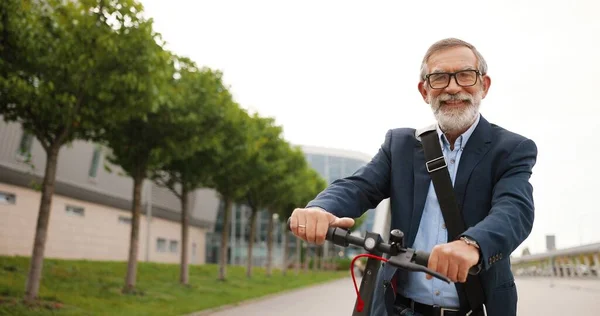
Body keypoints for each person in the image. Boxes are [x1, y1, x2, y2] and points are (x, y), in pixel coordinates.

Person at [289, 38, 537, 316]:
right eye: (439, 77)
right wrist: (321, 209)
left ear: (484, 85)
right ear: (425, 90)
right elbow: (358, 186)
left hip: (479, 308)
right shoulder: (400, 145)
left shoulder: (512, 149)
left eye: (466, 75)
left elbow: (514, 209)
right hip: (399, 308)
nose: (453, 87)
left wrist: (472, 244)